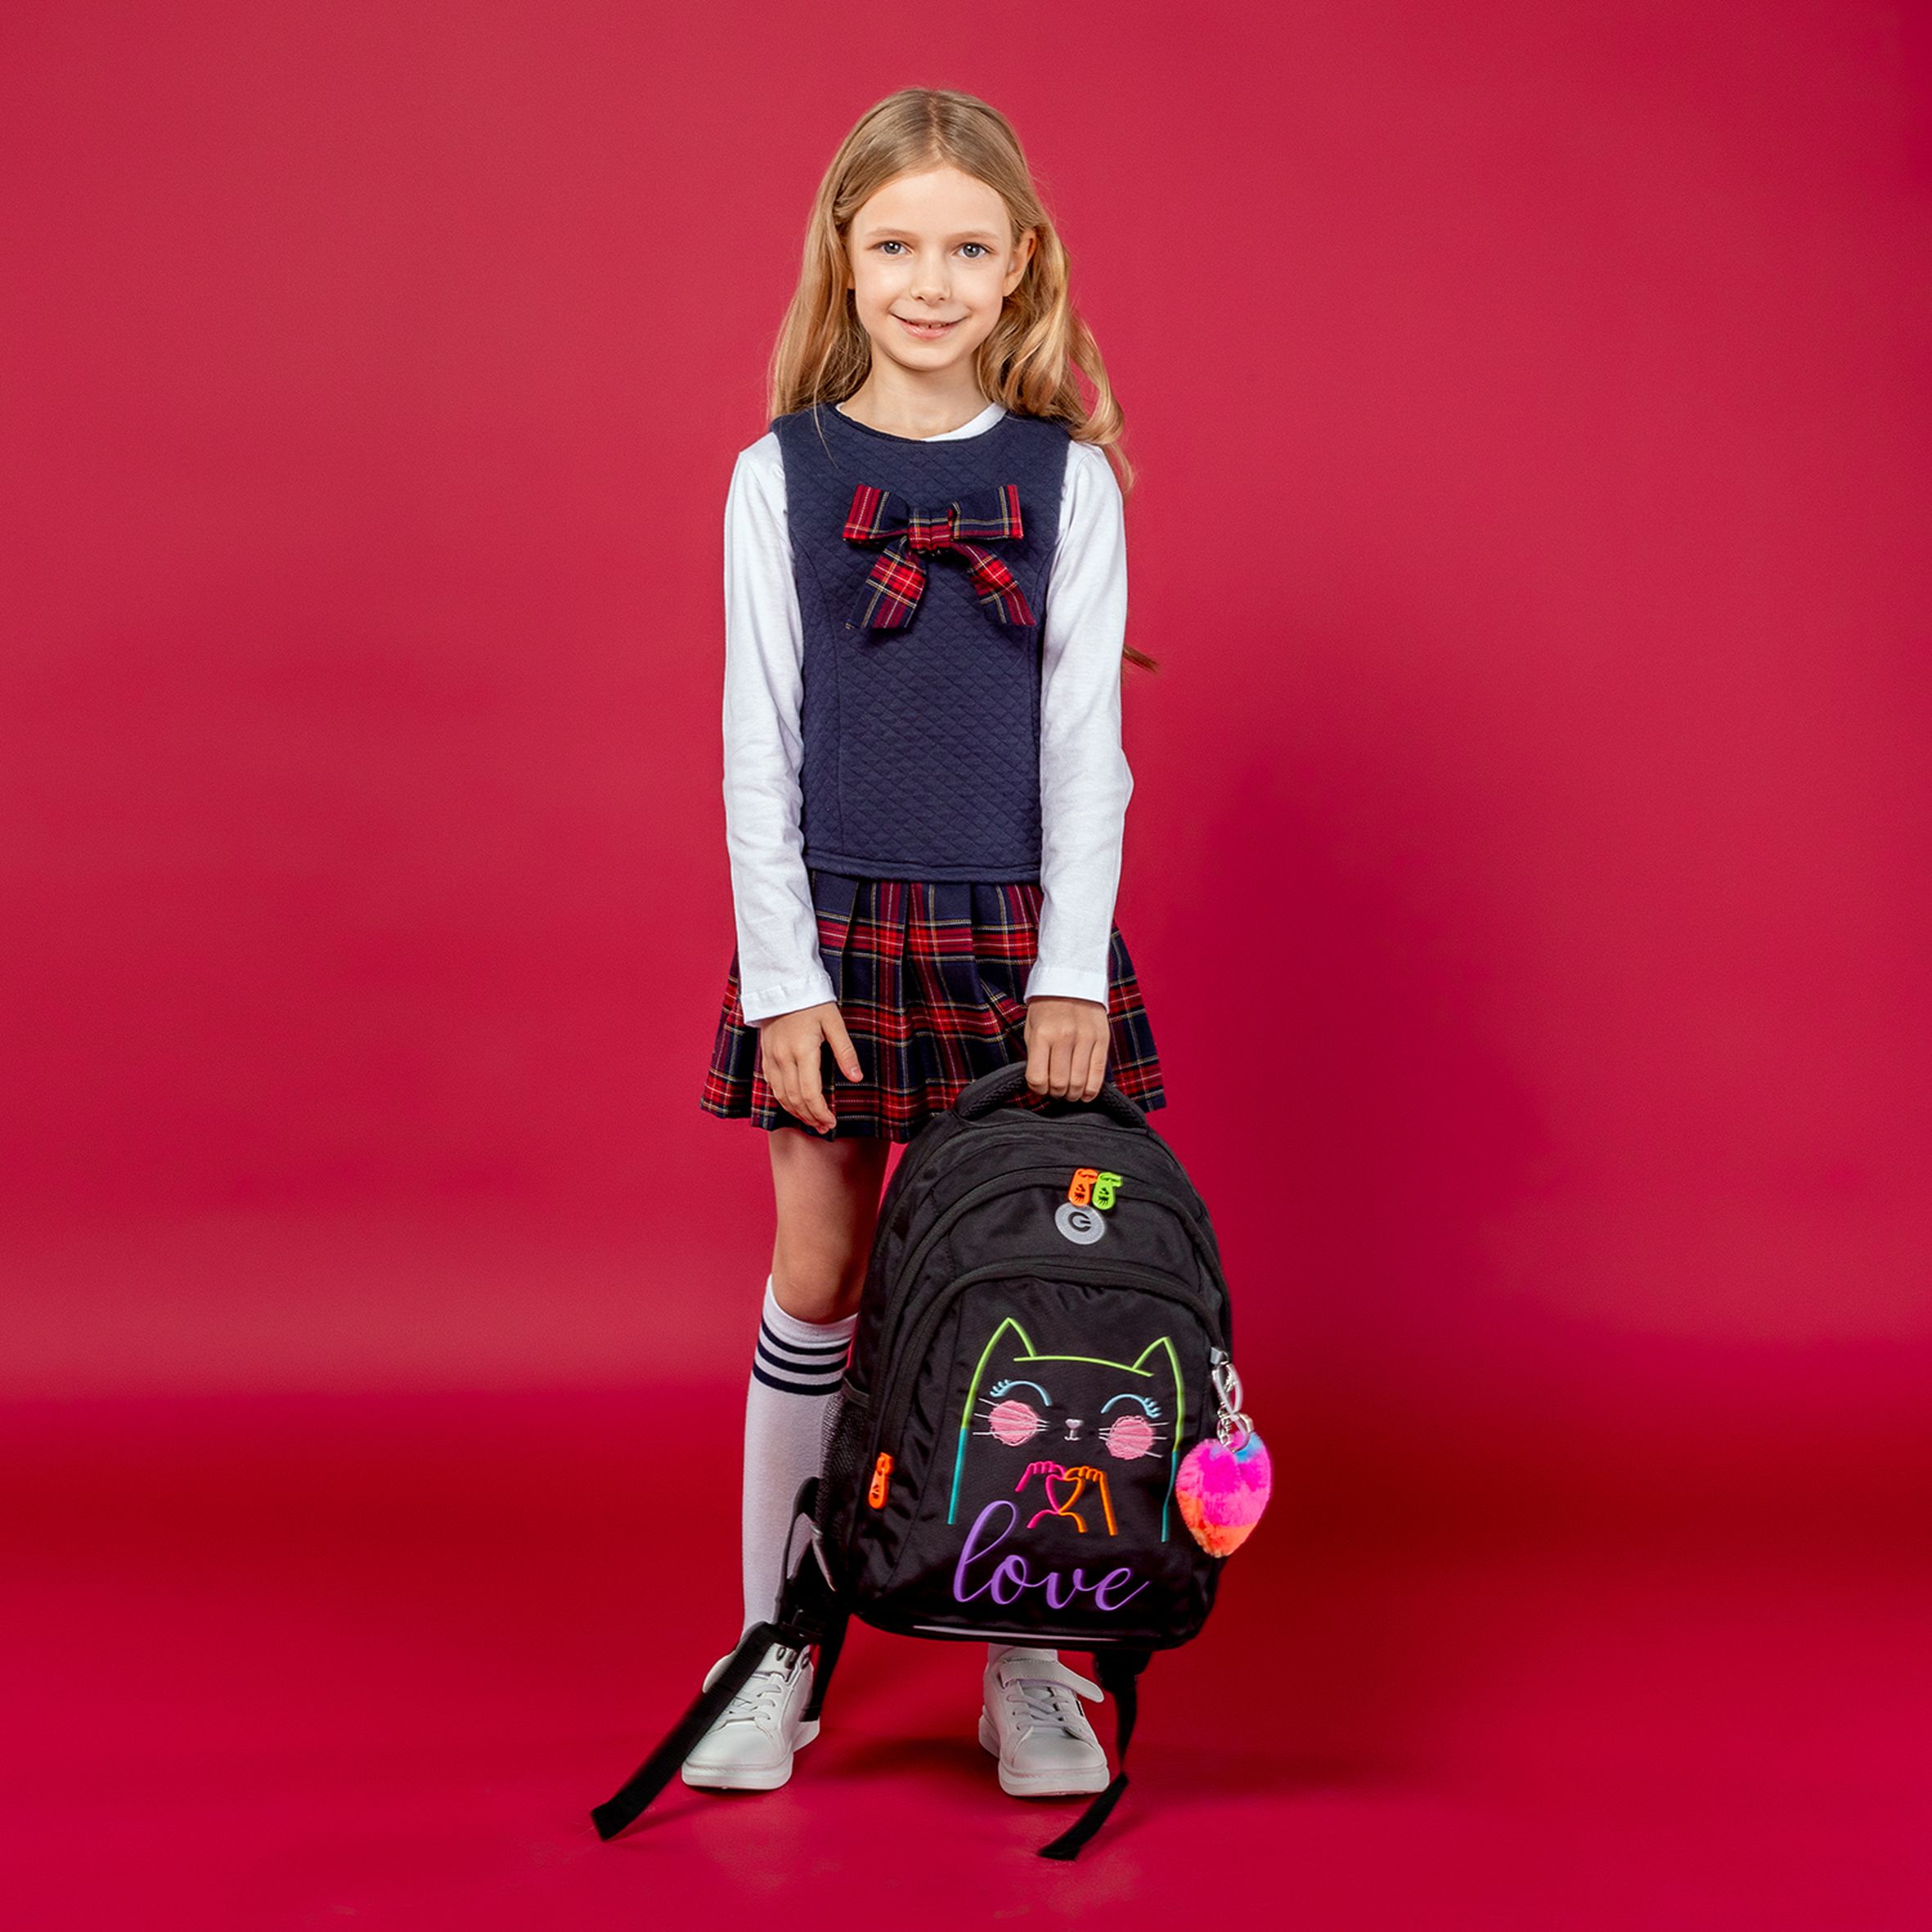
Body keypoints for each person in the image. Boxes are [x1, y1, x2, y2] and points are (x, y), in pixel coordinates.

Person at [688, 85, 1167, 1799]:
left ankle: (1022, 1650)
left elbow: (1084, 747)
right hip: (833, 933)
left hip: (1018, 944)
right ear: (844, 252)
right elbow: (754, 743)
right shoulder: (778, 475)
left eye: (966, 249)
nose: (929, 282)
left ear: (1020, 263)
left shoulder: (1068, 481)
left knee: (1030, 1288)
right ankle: (776, 1641)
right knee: (819, 1275)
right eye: (895, 245)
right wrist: (781, 981)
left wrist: (1067, 969)